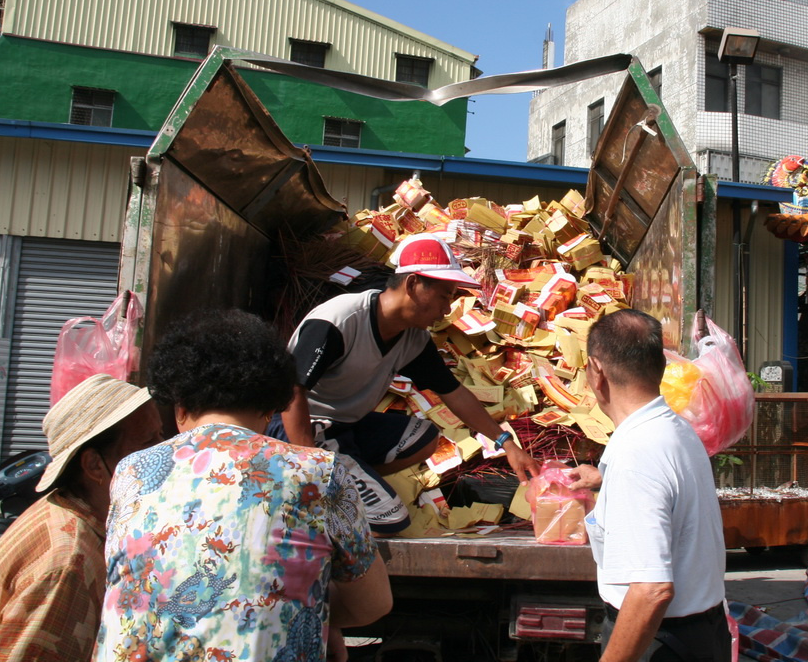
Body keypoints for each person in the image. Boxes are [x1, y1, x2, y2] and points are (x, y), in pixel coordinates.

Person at [93, 310, 390, 662]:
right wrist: (313, 613)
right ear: (270, 409)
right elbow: (373, 604)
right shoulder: (317, 473)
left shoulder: (131, 471)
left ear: (181, 409)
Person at [271, 232, 540, 534]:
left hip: (347, 428)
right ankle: (313, 498)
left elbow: (453, 392)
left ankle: (347, 478)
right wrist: (311, 466)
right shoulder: (340, 320)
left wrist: (506, 444)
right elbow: (291, 392)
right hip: (301, 427)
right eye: (444, 296)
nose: (447, 308)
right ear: (413, 284)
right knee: (391, 519)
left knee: (424, 437)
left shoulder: (412, 337)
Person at [0, 374, 162, 662]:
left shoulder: (67, 513)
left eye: (162, 435)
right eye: (149, 443)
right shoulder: (69, 560)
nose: (168, 450)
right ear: (95, 465)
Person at [569, 309, 729, 662]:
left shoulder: (637, 453)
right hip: (701, 633)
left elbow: (652, 590)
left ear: (597, 373)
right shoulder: (674, 428)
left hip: (662, 642)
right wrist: (604, 481)